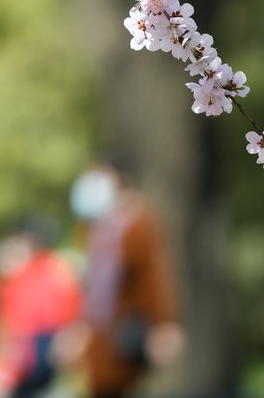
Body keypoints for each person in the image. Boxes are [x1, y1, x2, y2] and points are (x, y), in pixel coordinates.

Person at [69, 159, 184, 398]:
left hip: (126, 331)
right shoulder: (94, 230)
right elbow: (89, 287)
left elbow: (155, 278)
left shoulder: (140, 226)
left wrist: (164, 324)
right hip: (99, 336)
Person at [0, 216, 83, 398]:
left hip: (47, 342)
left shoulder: (57, 268)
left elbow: (70, 305)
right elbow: (7, 312)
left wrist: (69, 334)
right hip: (22, 343)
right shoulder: (14, 269)